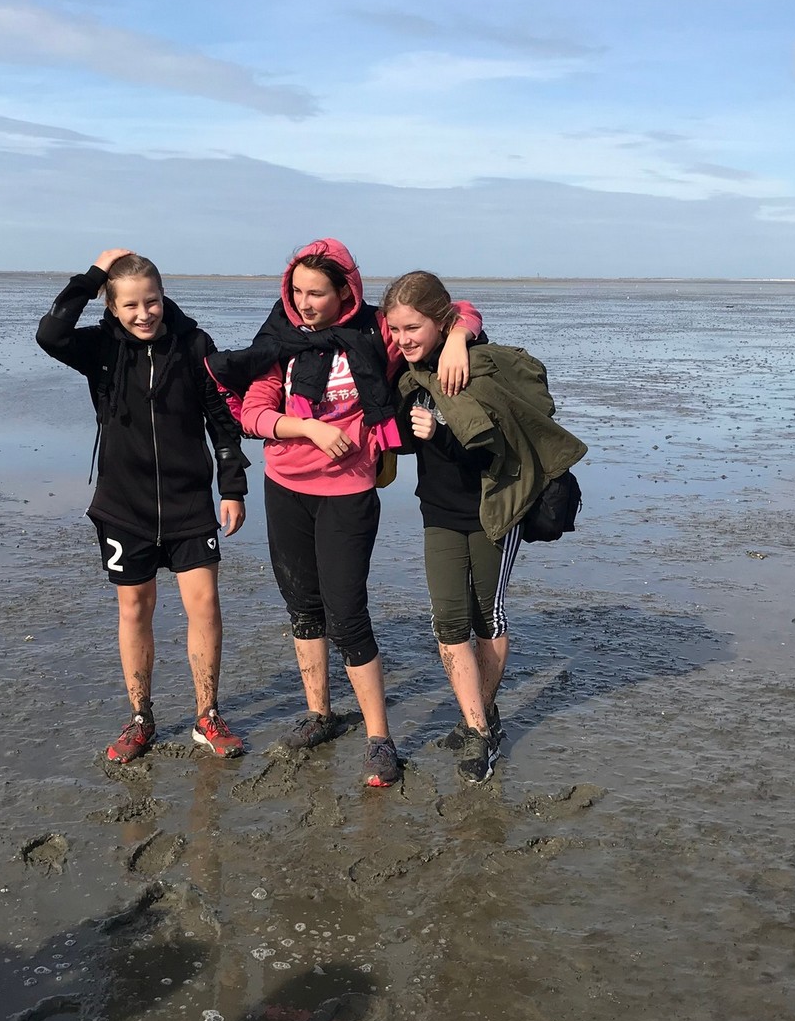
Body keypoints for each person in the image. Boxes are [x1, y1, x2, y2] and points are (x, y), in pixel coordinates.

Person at [208, 239, 480, 788]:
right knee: (302, 607)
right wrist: (307, 427)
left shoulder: (375, 331)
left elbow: (459, 312)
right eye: (297, 292)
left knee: (347, 614)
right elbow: (254, 412)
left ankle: (380, 739)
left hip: (348, 491)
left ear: (345, 292)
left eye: (317, 293)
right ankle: (320, 714)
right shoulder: (280, 338)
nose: (304, 303)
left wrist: (456, 339)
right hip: (284, 486)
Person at [37, 248, 249, 764]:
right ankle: (140, 718)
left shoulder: (194, 345)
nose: (143, 314)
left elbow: (221, 420)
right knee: (135, 609)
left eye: (151, 301)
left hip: (188, 502)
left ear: (163, 296)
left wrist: (232, 487)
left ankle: (207, 715)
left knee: (204, 605)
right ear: (112, 307)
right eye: (130, 305)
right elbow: (50, 334)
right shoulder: (100, 349)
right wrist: (92, 276)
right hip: (122, 505)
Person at [382, 270, 587, 784]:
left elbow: (496, 449)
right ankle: (479, 727)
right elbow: (401, 437)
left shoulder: (479, 367)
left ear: (440, 321)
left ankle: (481, 721)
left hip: (494, 508)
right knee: (448, 622)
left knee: (486, 617)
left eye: (413, 328)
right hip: (437, 513)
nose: (404, 339)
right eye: (396, 329)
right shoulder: (410, 376)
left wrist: (441, 433)